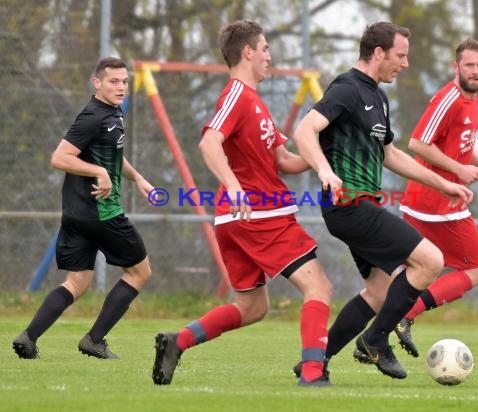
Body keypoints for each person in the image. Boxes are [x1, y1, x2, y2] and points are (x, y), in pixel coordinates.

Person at [151, 20, 332, 387]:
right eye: (264, 48)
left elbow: (285, 162)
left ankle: (177, 342)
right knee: (319, 288)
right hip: (261, 214)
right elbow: (208, 143)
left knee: (253, 307)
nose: (270, 56)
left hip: (241, 219)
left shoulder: (256, 103)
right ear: (247, 52)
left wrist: (323, 153)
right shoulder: (236, 95)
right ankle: (313, 374)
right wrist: (233, 185)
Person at [292, 22, 473, 380]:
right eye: (401, 55)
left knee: (379, 291)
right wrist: (326, 172)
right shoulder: (346, 89)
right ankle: (374, 340)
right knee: (430, 261)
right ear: (378, 53)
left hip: (362, 205)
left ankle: (316, 362)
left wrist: (443, 184)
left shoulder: (378, 96)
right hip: (349, 205)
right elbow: (304, 130)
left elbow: (390, 154)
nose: (405, 64)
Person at [12, 57, 153, 360]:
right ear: (97, 83)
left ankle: (29, 337)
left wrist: (138, 178)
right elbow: (59, 157)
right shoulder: (93, 116)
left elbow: (111, 154)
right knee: (140, 272)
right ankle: (94, 339)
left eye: (125, 82)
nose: (121, 87)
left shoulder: (111, 115)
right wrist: (99, 174)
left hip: (76, 214)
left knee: (77, 282)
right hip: (101, 212)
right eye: (114, 81)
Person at [394, 39, 478, 357]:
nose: (475, 70)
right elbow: (417, 143)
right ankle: (404, 316)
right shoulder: (449, 98)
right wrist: (458, 170)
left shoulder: (471, 97)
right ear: (456, 67)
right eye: (469, 65)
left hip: (433, 200)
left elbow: (456, 143)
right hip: (437, 203)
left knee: (402, 273)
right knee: (474, 271)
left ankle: (372, 338)